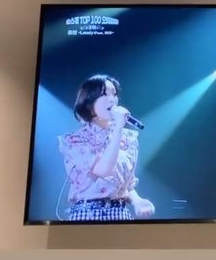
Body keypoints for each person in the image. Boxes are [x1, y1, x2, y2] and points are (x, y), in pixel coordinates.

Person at [58, 74, 155, 221]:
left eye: (114, 94)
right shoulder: (75, 141)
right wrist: (118, 128)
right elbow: (103, 170)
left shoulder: (128, 139)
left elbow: (125, 185)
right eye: (104, 94)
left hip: (120, 213)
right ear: (89, 103)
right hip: (86, 214)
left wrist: (137, 201)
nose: (112, 99)